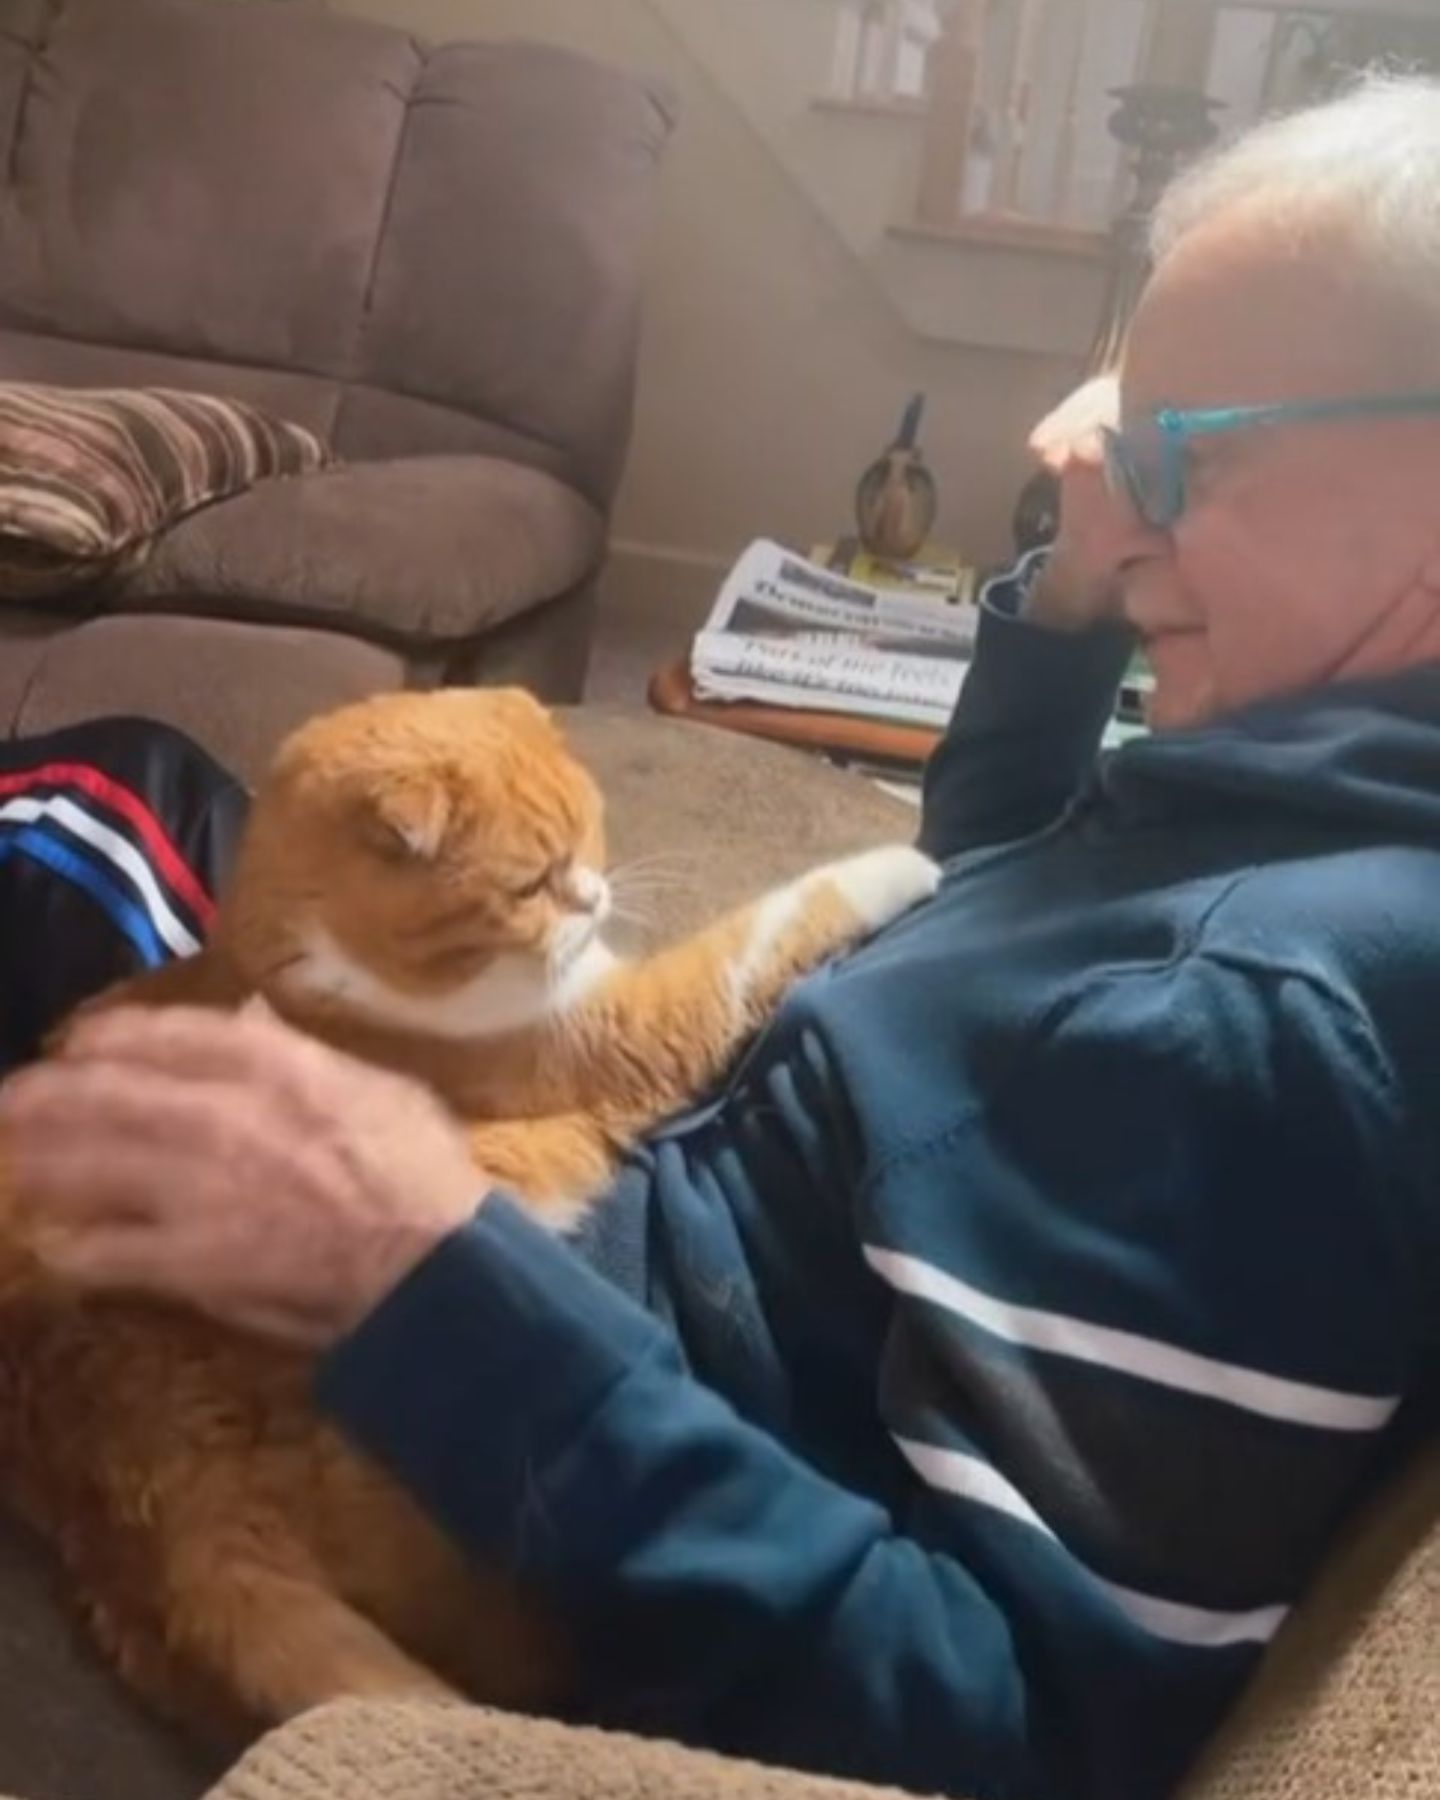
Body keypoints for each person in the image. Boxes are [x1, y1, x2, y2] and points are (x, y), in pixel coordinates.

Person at [5, 77, 1440, 1800]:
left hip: (511, 1436)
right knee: (141, 799)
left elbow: (1000, 1728)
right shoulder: (1312, 796)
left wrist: (416, 1269)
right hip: (586, 1268)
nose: (1109, 509)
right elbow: (1036, 916)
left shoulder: (1257, 1011)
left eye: (1185, 456)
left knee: (109, 802)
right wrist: (1071, 607)